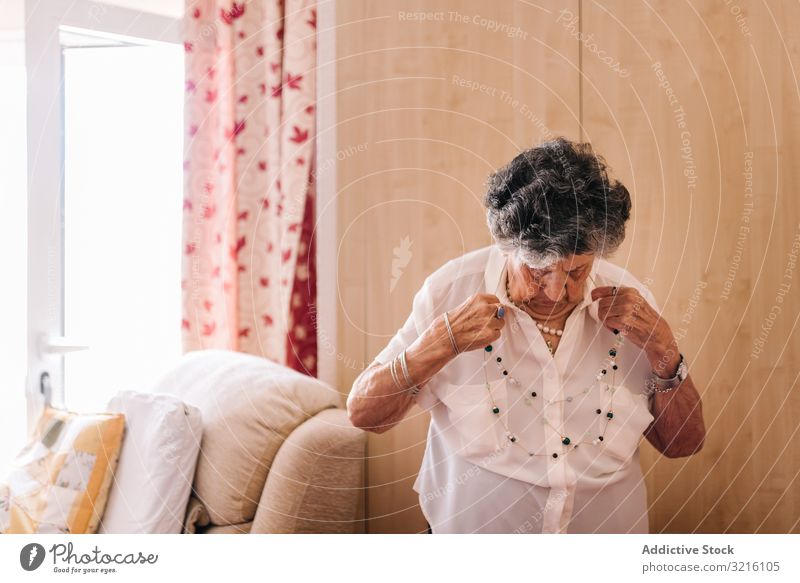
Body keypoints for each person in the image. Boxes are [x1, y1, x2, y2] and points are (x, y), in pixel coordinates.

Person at [346, 137, 705, 533]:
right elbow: (364, 413)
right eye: (537, 270)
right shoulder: (450, 290)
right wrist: (440, 344)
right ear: (506, 247)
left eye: (575, 272)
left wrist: (665, 351)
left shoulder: (631, 303)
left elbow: (682, 446)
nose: (556, 292)